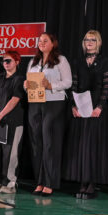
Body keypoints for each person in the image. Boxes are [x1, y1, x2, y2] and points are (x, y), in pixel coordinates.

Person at [64, 30, 108, 199]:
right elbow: (74, 85)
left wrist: (100, 107)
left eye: (93, 40)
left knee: (93, 146)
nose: (89, 42)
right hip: (81, 106)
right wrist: (73, 106)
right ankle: (82, 182)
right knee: (81, 146)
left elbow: (106, 86)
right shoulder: (77, 61)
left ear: (98, 42)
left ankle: (92, 183)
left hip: (97, 109)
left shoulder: (104, 61)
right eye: (86, 40)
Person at [25, 33, 72, 196]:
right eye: (40, 41)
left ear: (53, 43)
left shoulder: (61, 60)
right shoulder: (33, 61)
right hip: (35, 103)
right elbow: (28, 81)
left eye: (45, 41)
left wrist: (51, 85)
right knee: (36, 142)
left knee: (50, 143)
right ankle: (39, 181)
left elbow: (68, 82)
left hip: (54, 103)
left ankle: (50, 182)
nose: (42, 43)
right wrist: (26, 85)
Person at [0, 50, 26, 193]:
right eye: (4, 60)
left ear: (17, 62)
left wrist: (0, 115)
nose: (5, 63)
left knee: (11, 153)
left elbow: (14, 100)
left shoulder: (19, 79)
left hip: (13, 121)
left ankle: (10, 182)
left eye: (9, 60)